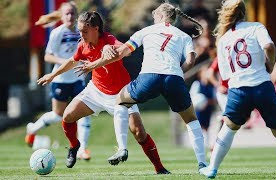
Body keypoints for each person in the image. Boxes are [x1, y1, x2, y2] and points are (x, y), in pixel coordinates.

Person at [76, 2, 207, 172]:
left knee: (121, 102)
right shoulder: (184, 36)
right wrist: (177, 74)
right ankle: (202, 164)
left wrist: (93, 64)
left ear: (160, 16)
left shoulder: (145, 31)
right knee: (191, 120)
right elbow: (190, 61)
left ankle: (122, 148)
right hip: (174, 78)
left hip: (149, 77)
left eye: (154, 17)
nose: (153, 20)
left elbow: (121, 53)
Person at [37, 11, 170, 174]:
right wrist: (52, 75)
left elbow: (123, 48)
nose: (81, 35)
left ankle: (160, 169)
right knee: (68, 116)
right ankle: (74, 146)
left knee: (139, 133)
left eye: (84, 31)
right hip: (96, 91)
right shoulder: (83, 45)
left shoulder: (108, 39)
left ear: (96, 29)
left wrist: (109, 47)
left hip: (121, 94)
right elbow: (73, 61)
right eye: (79, 31)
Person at [199, 0, 276, 179]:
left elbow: (226, 76)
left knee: (228, 129)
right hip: (262, 87)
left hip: (238, 91)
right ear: (244, 13)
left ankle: (212, 169)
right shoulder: (256, 27)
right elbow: (269, 46)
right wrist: (270, 65)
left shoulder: (223, 39)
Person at [25, 2, 92, 160]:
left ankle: (82, 149)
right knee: (58, 115)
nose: (69, 16)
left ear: (76, 16)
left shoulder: (82, 32)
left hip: (78, 80)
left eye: (72, 13)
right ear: (62, 16)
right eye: (66, 14)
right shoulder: (57, 33)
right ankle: (33, 129)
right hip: (60, 80)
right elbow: (47, 56)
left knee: (85, 113)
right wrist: (67, 61)